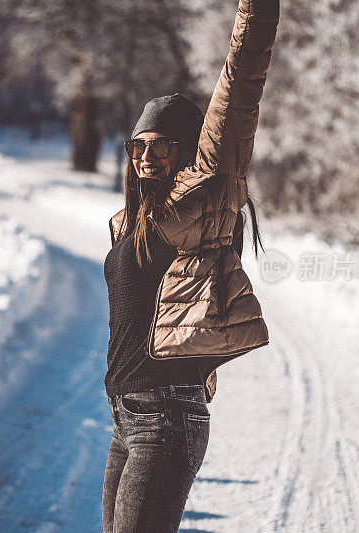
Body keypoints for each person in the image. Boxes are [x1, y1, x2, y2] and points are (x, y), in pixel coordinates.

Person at [101, 0, 280, 530]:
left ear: (188, 151)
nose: (146, 156)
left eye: (161, 145)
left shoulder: (200, 200)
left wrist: (256, 10)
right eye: (138, 146)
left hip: (167, 417)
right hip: (125, 415)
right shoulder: (126, 222)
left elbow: (241, 82)